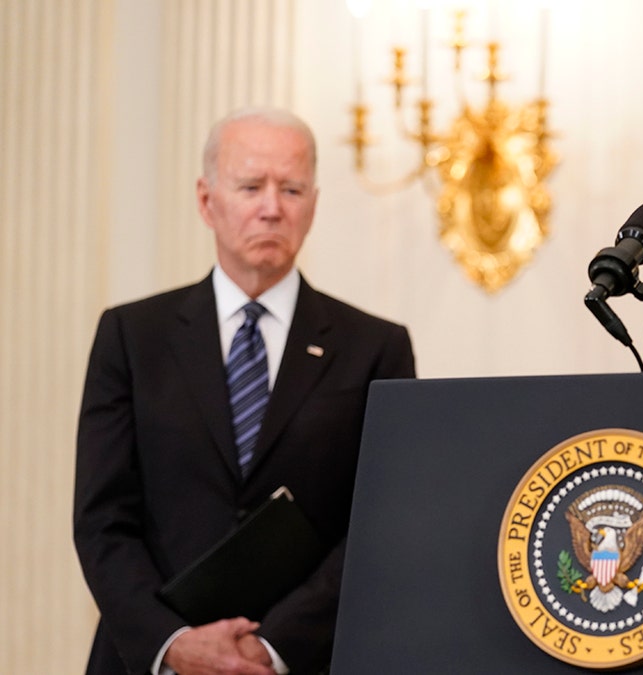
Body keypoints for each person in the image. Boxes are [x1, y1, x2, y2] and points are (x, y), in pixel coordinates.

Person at [74, 107, 417, 674]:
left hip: (309, 659)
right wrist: (174, 642)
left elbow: (382, 521)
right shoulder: (132, 337)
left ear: (313, 204)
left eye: (292, 188)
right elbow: (101, 518)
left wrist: (272, 647)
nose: (271, 208)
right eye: (251, 186)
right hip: (152, 658)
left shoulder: (376, 347)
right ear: (207, 201)